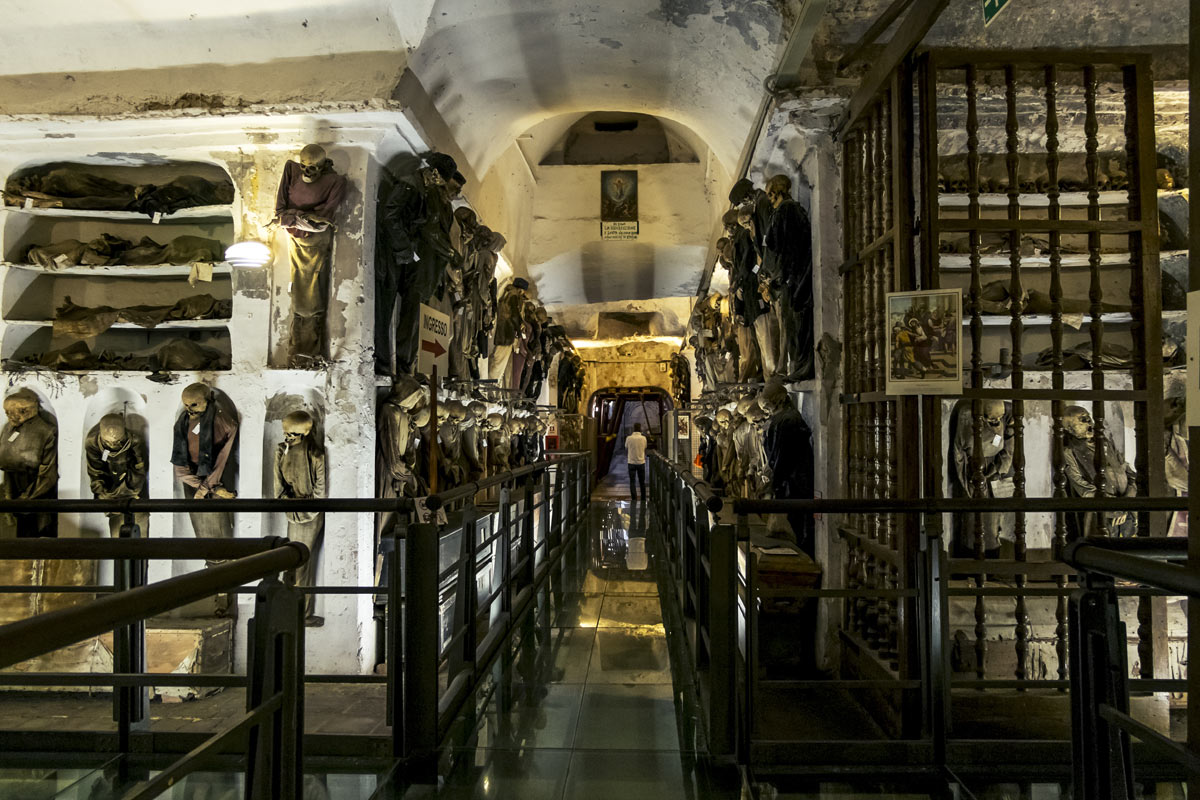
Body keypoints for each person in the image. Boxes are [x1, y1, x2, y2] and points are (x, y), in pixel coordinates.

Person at [625, 423, 648, 503]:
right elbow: (645, 447)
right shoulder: (644, 438)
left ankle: (634, 498)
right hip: (641, 462)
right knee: (642, 482)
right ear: (640, 428)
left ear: (633, 429)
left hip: (631, 462)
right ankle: (643, 498)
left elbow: (626, 447)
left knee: (632, 481)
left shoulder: (629, 438)